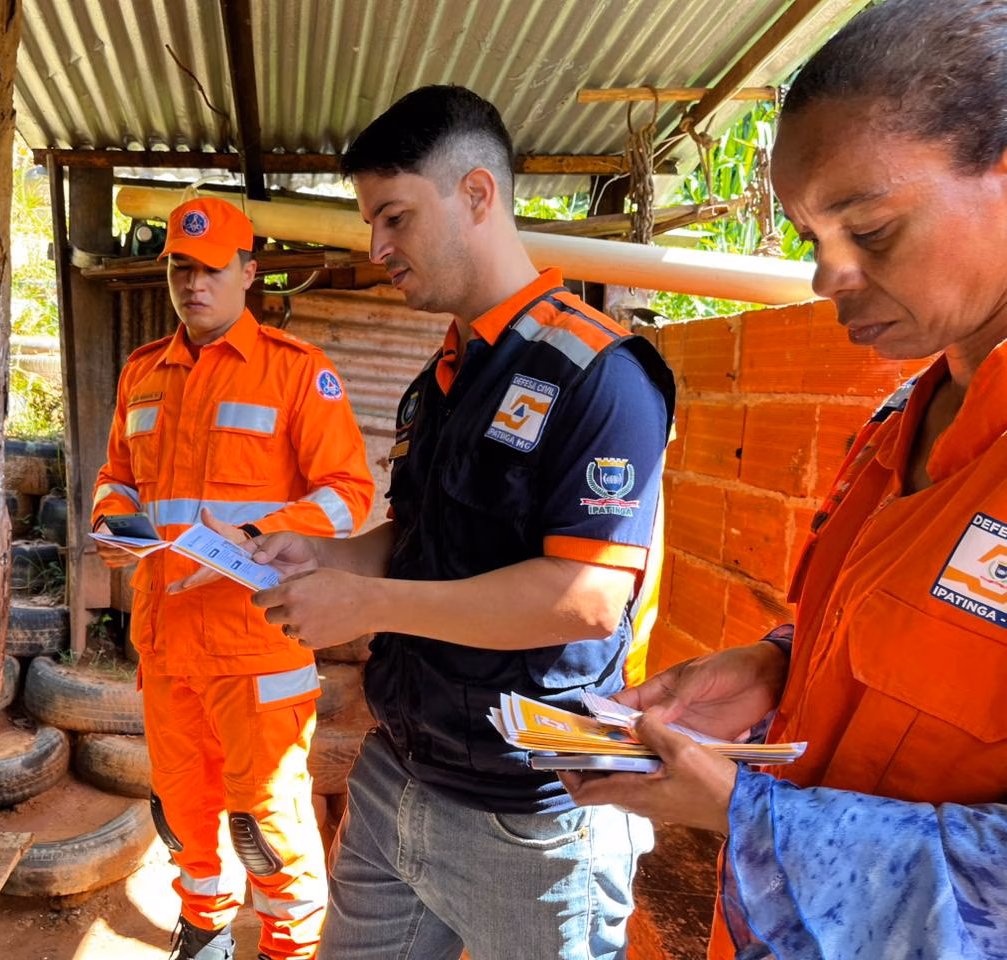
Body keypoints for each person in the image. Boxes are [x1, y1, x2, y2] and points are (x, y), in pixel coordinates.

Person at [563, 1, 1007, 957]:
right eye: (811, 238)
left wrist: (746, 811)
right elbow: (900, 643)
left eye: (871, 230)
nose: (824, 278)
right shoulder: (900, 419)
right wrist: (779, 665)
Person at [239, 85, 676, 960]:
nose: (377, 248)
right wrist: (328, 555)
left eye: (394, 217)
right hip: (398, 772)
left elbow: (586, 599)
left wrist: (369, 606)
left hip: (532, 815)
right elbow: (419, 540)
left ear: (477, 194)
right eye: (371, 222)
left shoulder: (599, 374)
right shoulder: (441, 379)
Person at [91, 196, 375, 960]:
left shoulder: (295, 373)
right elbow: (117, 477)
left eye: (212, 268)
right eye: (181, 268)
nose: (194, 283)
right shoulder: (142, 374)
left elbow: (349, 493)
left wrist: (260, 533)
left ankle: (289, 945)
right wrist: (115, 524)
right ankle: (205, 929)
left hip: (257, 646)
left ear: (249, 273)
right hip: (166, 645)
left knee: (266, 821)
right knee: (182, 810)